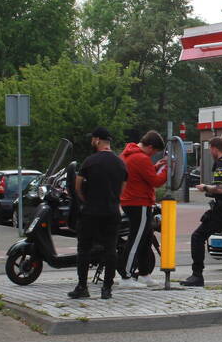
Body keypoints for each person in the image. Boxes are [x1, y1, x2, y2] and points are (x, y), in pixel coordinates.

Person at [71, 127, 128, 300]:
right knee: (111, 250)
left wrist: (86, 200)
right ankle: (107, 289)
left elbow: (78, 186)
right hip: (112, 212)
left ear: (97, 140)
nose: (91, 142)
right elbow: (123, 189)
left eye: (92, 139)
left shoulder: (89, 161)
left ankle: (82, 287)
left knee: (84, 249)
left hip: (91, 212)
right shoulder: (120, 163)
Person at [182, 136, 222, 291]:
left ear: (215, 148)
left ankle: (197, 275)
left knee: (197, 236)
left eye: (210, 150)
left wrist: (205, 187)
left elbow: (220, 189)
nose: (211, 153)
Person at [118, 130, 168, 288]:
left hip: (129, 201)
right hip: (139, 203)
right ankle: (125, 277)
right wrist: (168, 170)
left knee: (145, 239)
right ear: (151, 146)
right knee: (136, 239)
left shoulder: (128, 154)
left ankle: (145, 273)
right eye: (154, 152)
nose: (153, 155)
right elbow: (156, 181)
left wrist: (154, 167)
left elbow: (138, 176)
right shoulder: (141, 158)